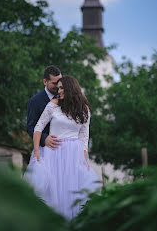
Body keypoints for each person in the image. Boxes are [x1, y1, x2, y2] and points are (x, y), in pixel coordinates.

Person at [24, 76, 101, 220]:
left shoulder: (85, 110)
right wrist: (36, 151)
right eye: (58, 87)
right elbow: (38, 127)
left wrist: (84, 160)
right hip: (54, 152)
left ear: (71, 89)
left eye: (61, 88)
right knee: (51, 192)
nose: (58, 91)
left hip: (73, 154)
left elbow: (84, 137)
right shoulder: (53, 104)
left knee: (72, 193)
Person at [27, 65, 62, 149]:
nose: (58, 86)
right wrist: (44, 138)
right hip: (46, 149)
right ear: (45, 82)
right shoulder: (35, 101)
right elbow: (30, 128)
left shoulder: (65, 97)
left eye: (59, 82)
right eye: (54, 83)